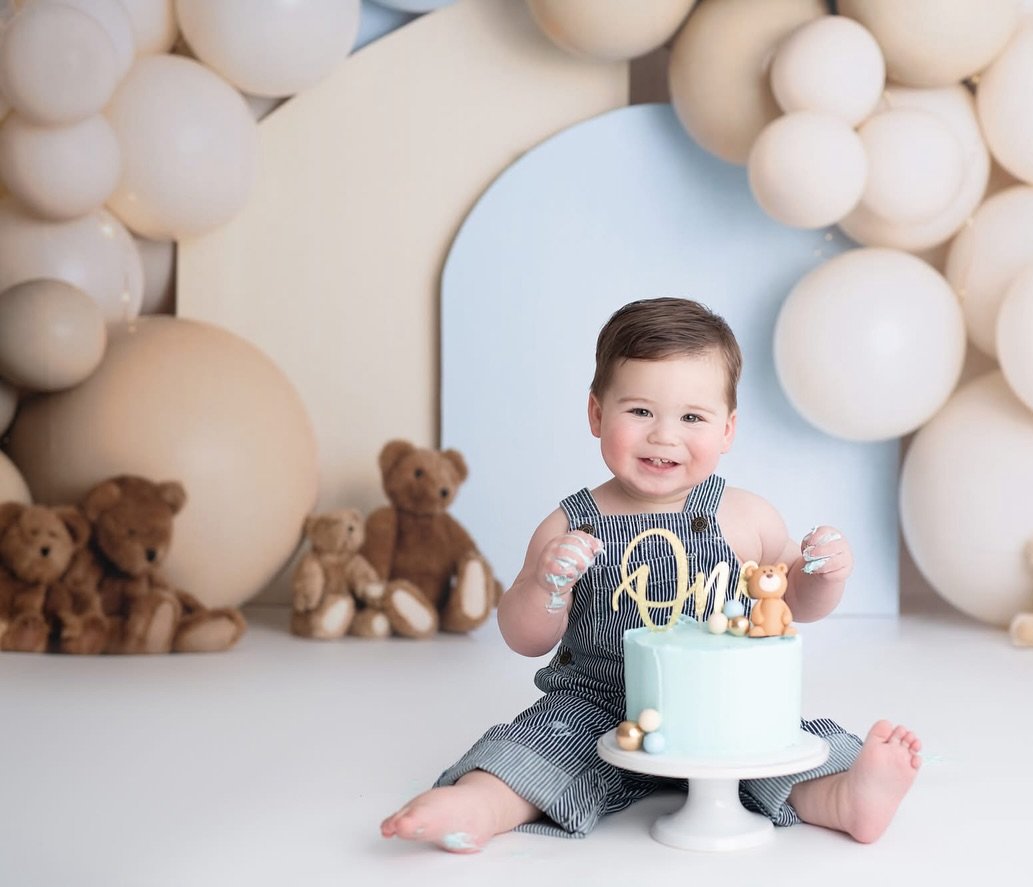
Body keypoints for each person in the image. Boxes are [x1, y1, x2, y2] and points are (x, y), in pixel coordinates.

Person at [380, 297, 921, 852]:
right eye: (640, 412)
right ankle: (479, 805)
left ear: (728, 429)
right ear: (596, 414)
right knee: (530, 751)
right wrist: (547, 586)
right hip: (595, 706)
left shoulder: (745, 517)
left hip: (719, 707)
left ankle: (843, 796)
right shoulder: (571, 525)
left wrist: (824, 575)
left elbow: (793, 601)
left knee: (772, 750)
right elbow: (524, 639)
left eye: (691, 417)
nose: (664, 436)